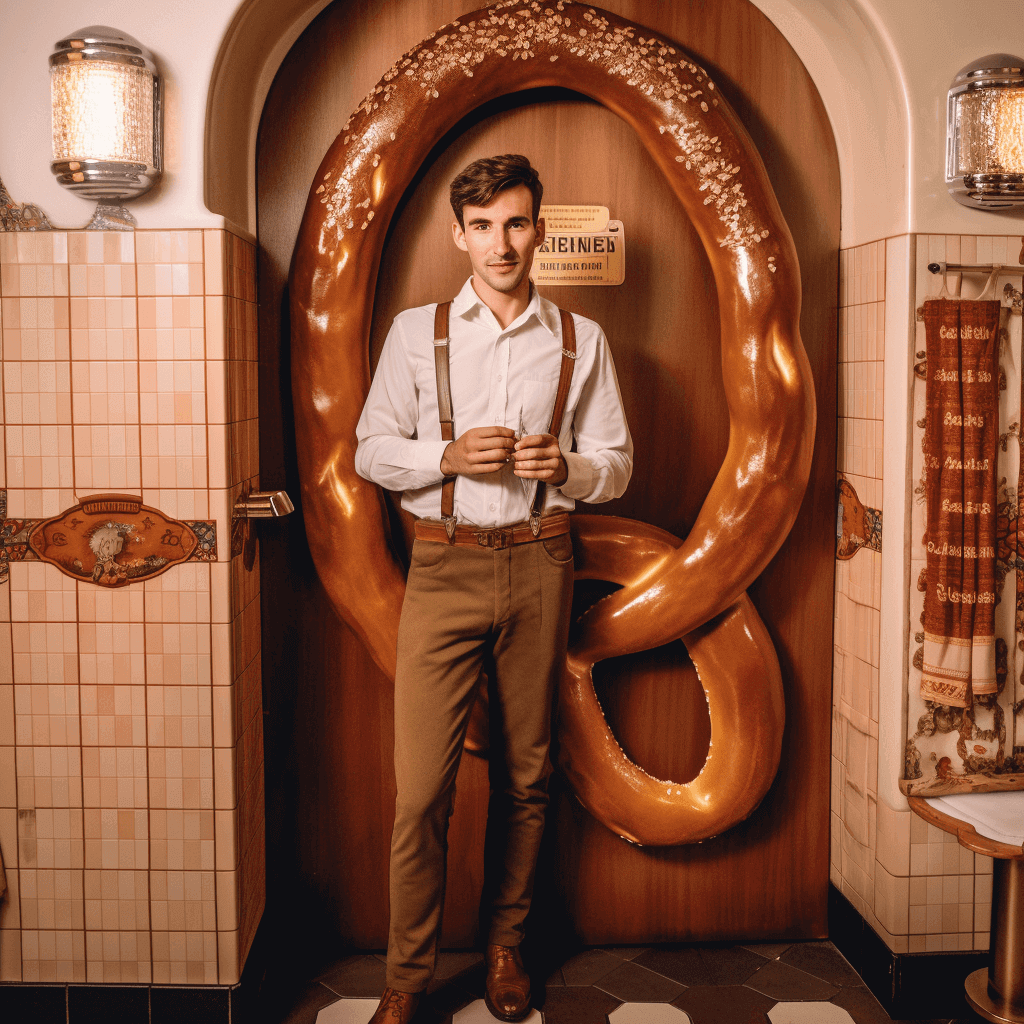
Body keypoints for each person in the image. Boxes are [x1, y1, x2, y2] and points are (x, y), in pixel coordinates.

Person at [355, 153, 632, 1023]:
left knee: (526, 775)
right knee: (423, 791)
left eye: (516, 223)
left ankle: (507, 946)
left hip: (544, 562)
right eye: (482, 226)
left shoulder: (583, 340)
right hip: (443, 565)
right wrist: (441, 455)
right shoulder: (414, 332)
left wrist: (574, 467)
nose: (500, 243)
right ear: (458, 235)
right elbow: (368, 450)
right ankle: (406, 980)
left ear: (539, 229)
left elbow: (619, 466)